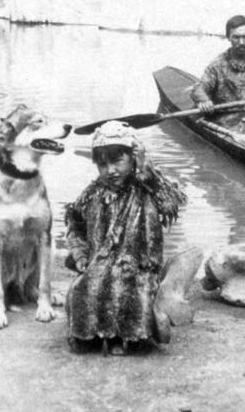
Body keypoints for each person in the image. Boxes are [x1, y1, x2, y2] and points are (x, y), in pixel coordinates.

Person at [64, 122, 187, 356]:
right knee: (86, 288)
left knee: (128, 291)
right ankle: (91, 336)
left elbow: (170, 203)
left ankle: (126, 338)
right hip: (99, 262)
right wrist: (80, 255)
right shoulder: (93, 193)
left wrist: (147, 171)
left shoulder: (146, 188)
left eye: (117, 161)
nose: (110, 170)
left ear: (132, 159)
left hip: (138, 264)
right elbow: (74, 226)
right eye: (103, 164)